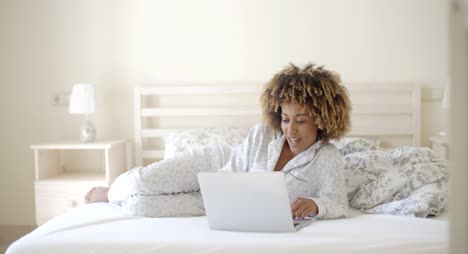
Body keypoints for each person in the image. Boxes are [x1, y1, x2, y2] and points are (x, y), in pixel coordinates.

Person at [85, 63, 352, 219]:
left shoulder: (327, 158)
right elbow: (231, 169)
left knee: (140, 206)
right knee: (142, 182)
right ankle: (108, 192)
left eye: (301, 120)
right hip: (215, 167)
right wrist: (218, 188)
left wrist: (317, 205)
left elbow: (339, 203)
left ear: (322, 119)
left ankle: (118, 199)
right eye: (285, 119)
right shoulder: (263, 134)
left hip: (227, 204)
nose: (290, 130)